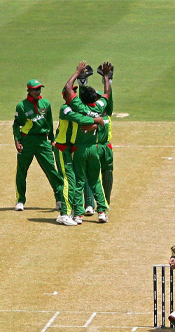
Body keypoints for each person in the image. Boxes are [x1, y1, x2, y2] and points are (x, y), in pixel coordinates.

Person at [65, 61, 112, 223]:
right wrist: (106, 76)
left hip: (80, 149)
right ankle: (102, 212)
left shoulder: (79, 107)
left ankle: (78, 215)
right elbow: (107, 94)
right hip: (94, 148)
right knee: (95, 180)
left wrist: (77, 72)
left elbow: (68, 88)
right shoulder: (99, 107)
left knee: (79, 181)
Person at [53, 85, 104, 226]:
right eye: (73, 92)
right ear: (66, 96)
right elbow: (80, 119)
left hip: (69, 149)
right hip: (62, 149)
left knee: (73, 181)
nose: (75, 94)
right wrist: (97, 121)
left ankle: (71, 211)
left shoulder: (76, 107)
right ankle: (64, 214)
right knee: (69, 180)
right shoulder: (65, 109)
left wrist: (95, 124)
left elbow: (85, 115)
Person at [12, 79, 63, 212]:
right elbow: (17, 124)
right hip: (27, 141)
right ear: (29, 90)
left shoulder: (45, 103)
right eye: (35, 89)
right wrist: (17, 141)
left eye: (39, 89)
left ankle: (59, 199)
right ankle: (20, 200)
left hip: (42, 141)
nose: (38, 91)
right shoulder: (21, 106)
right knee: (21, 171)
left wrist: (52, 139)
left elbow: (49, 122)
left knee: (51, 170)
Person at [83, 63, 115, 215]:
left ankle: (97, 203)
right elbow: (107, 95)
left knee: (99, 174)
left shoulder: (93, 109)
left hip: (99, 147)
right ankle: (96, 203)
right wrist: (106, 77)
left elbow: (107, 95)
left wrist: (81, 80)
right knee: (97, 174)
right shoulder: (95, 108)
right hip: (98, 147)